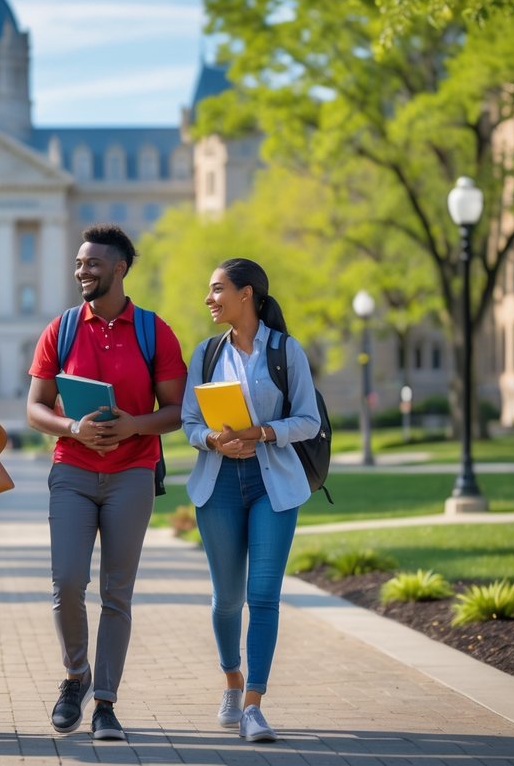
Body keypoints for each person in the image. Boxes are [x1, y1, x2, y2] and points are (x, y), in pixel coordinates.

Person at [26, 224, 185, 742]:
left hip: (132, 474)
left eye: (92, 264)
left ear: (119, 268)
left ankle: (106, 704)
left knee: (118, 593)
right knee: (67, 583)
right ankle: (76, 677)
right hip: (71, 470)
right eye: (78, 263)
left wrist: (133, 425)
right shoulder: (62, 328)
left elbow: (178, 410)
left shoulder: (153, 331)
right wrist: (74, 427)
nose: (82, 271)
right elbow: (34, 408)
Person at [181, 258, 320, 744]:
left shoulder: (286, 351)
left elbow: (309, 420)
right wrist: (214, 441)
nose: (209, 299)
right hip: (218, 484)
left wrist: (261, 432)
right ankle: (232, 681)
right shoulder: (204, 353)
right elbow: (189, 423)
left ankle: (254, 706)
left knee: (263, 597)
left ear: (247, 294)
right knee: (227, 600)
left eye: (217, 289)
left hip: (272, 485)